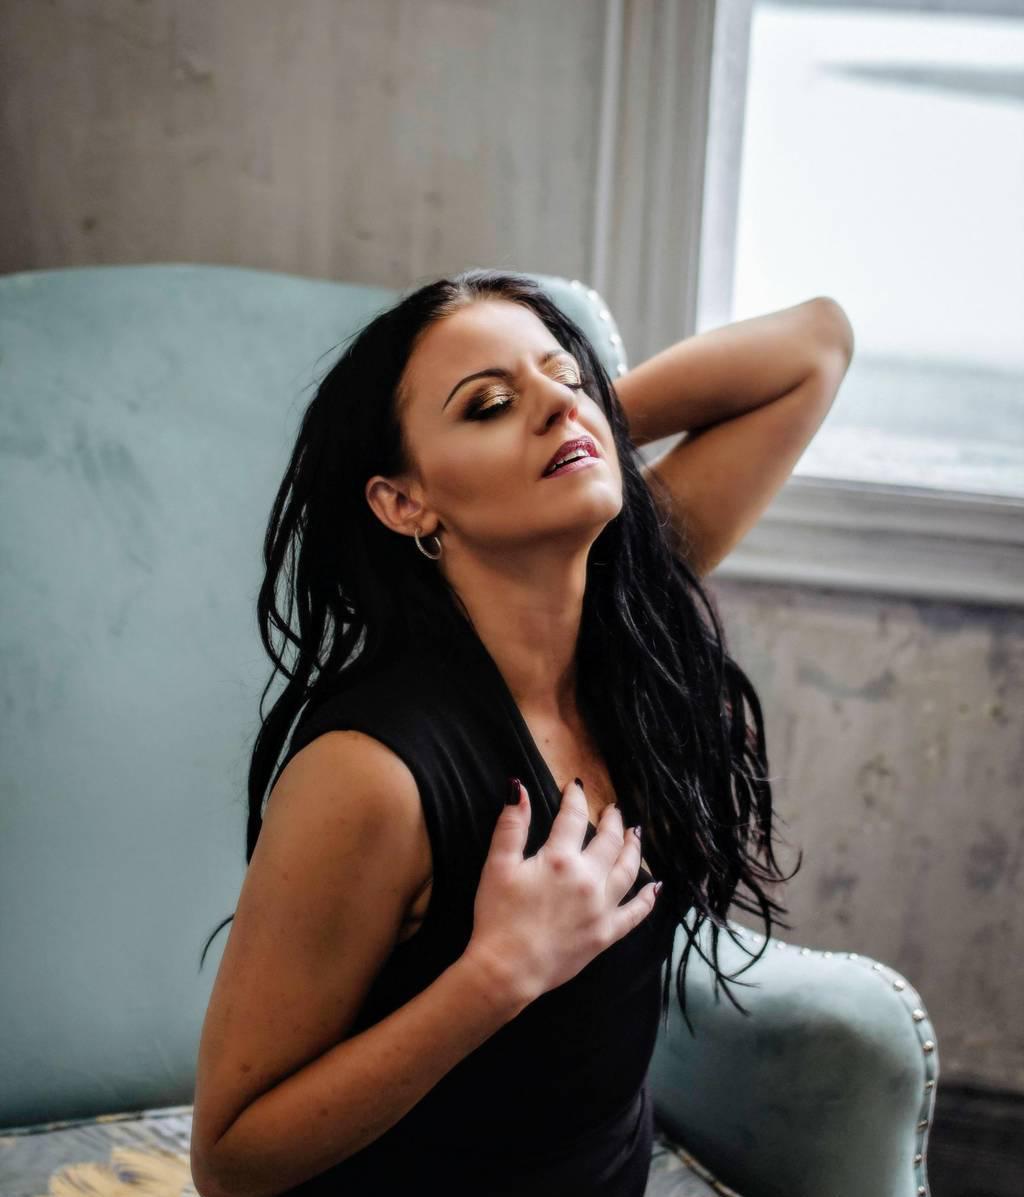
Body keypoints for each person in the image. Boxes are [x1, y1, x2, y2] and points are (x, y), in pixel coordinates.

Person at [189, 269, 801, 1197]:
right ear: (403, 501)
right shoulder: (370, 774)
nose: (558, 403)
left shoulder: (637, 630)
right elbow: (231, 1159)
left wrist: (571, 422)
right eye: (487, 405)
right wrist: (499, 974)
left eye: (568, 375)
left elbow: (813, 348)